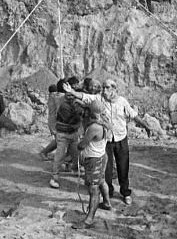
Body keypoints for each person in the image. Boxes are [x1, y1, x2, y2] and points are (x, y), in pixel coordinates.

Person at [66, 79, 144, 205]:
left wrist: (146, 126)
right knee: (106, 169)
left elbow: (133, 115)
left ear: (114, 89)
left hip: (120, 139)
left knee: (123, 166)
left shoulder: (122, 101)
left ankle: (125, 192)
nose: (104, 90)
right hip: (107, 141)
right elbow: (86, 97)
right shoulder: (99, 99)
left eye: (107, 88)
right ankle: (109, 193)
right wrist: (72, 92)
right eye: (103, 87)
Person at [72, 101, 111, 229]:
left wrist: (78, 144)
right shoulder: (105, 122)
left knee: (93, 189)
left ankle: (88, 220)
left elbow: (83, 145)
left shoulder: (95, 127)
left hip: (93, 160)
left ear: (91, 112)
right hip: (102, 156)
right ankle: (106, 202)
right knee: (101, 181)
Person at [49, 80, 83, 188]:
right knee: (59, 155)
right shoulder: (63, 104)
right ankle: (54, 177)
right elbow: (73, 119)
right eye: (67, 94)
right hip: (63, 133)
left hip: (72, 134)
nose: (70, 96)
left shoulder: (73, 103)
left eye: (71, 94)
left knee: (75, 153)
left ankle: (74, 168)